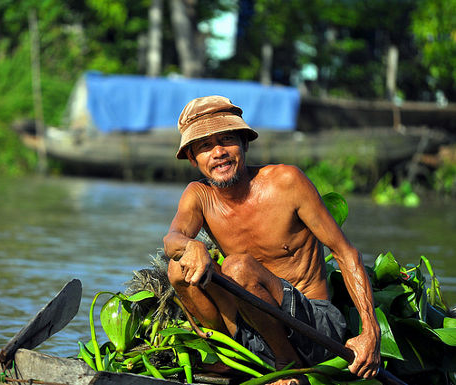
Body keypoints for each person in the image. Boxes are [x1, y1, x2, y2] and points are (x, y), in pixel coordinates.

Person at [163, 95, 381, 384]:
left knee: (238, 268)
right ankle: (228, 354)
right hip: (252, 328)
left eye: (227, 140)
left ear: (244, 144)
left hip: (311, 329)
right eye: (205, 146)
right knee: (176, 269)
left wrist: (371, 334)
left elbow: (345, 253)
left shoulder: (286, 182)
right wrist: (193, 245)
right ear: (193, 159)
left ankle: (287, 364)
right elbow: (172, 239)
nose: (218, 153)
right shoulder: (199, 196)